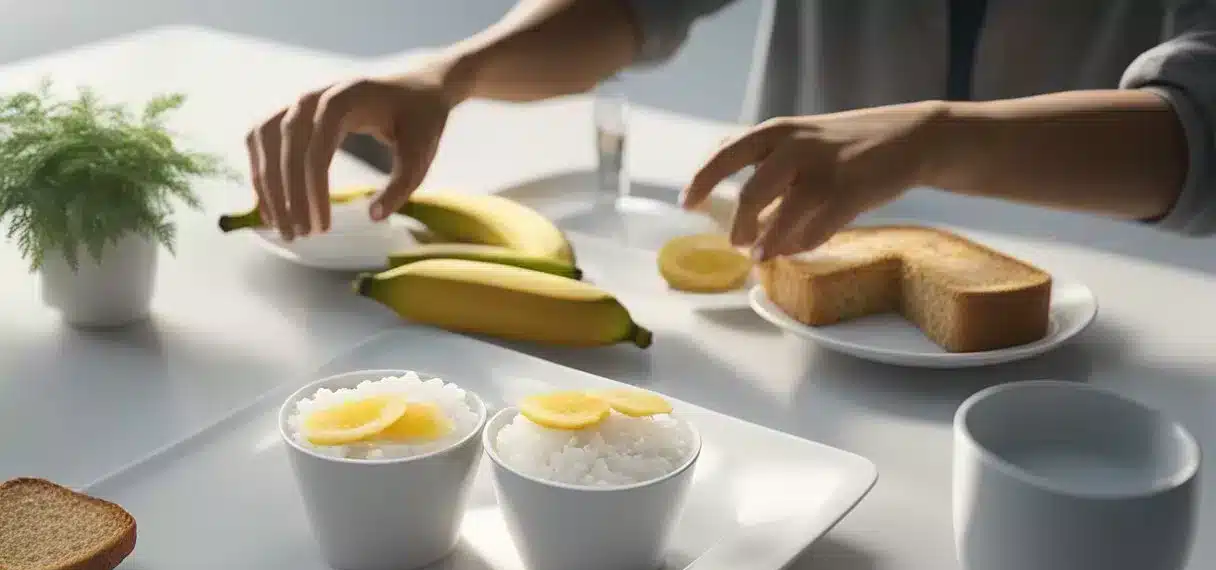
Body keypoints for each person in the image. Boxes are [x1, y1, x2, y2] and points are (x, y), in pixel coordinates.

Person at [246, 0, 1216, 260]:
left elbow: (1198, 125)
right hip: (786, 289)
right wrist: (449, 71)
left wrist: (937, 137)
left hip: (1110, 337)